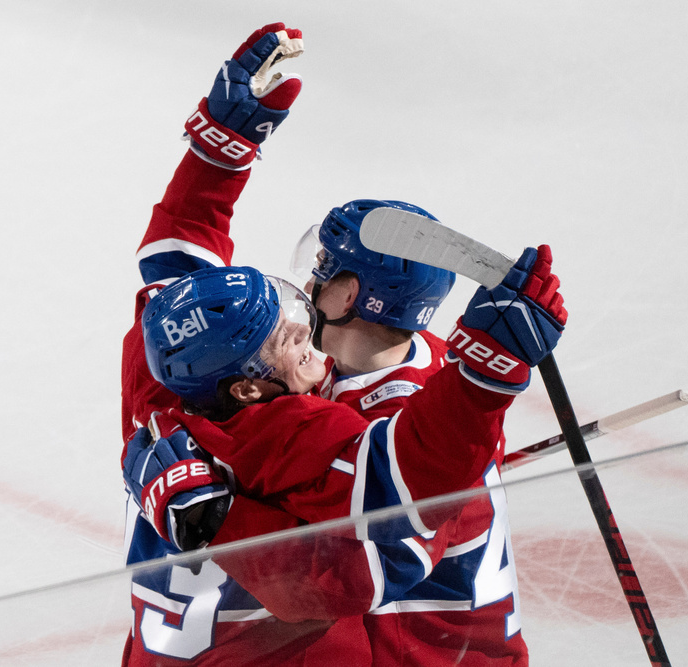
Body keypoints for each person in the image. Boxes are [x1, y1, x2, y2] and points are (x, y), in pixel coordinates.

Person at [118, 23, 567, 666]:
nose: (303, 295)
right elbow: (355, 570)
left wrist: (219, 152)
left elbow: (177, 263)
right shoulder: (373, 420)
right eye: (279, 332)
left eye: (323, 271)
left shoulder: (169, 377)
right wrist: (485, 379)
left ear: (351, 295)